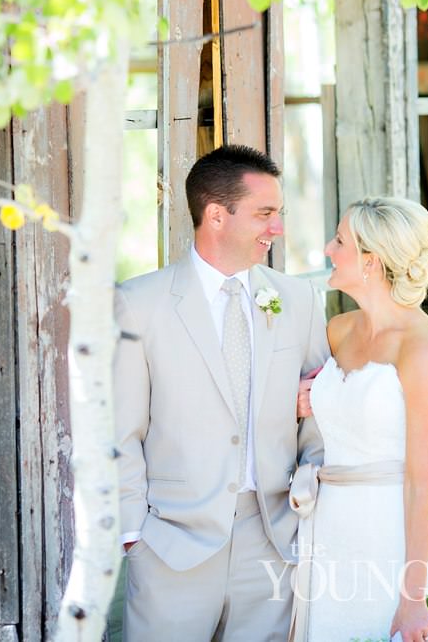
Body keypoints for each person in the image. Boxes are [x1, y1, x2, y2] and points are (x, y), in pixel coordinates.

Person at [113, 144, 329, 640]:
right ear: (216, 215)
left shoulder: (297, 299)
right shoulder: (138, 304)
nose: (277, 229)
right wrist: (134, 537)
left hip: (273, 539)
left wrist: (308, 506)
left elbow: (320, 411)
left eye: (279, 214)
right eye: (265, 214)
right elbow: (120, 431)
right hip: (171, 544)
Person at [292, 196, 428, 642]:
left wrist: (413, 597)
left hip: (393, 538)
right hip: (329, 535)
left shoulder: (423, 347)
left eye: (340, 240)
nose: (328, 248)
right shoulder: (339, 330)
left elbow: (422, 483)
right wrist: (302, 398)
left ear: (370, 261)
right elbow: (317, 403)